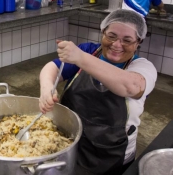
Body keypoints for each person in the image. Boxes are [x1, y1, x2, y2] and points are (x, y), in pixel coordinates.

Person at [39, 9, 157, 175]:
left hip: (110, 154)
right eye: (111, 36)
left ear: (138, 42)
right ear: (102, 32)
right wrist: (46, 89)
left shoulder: (143, 67)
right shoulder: (89, 51)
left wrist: (80, 58)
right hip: (70, 141)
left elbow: (131, 86)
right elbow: (52, 67)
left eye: (127, 40)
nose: (116, 44)